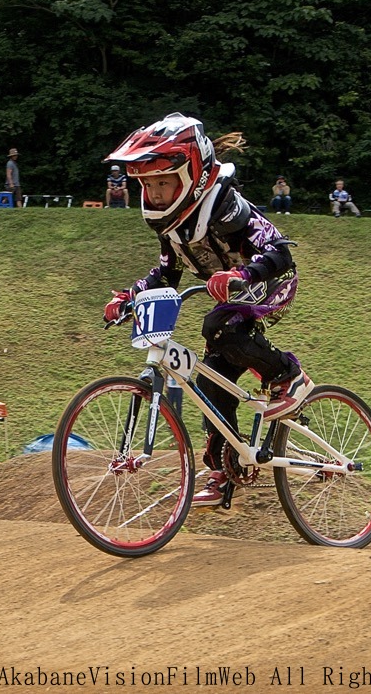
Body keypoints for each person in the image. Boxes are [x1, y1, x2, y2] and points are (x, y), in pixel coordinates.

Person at [103, 112, 314, 508]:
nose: (157, 194)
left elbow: (280, 253)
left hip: (271, 281)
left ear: (191, 176)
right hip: (232, 296)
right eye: (149, 185)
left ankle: (288, 375)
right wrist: (129, 298)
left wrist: (242, 273)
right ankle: (225, 469)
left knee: (218, 324)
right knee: (212, 381)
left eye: (163, 182)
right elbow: (168, 273)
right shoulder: (170, 224)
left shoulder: (225, 207)